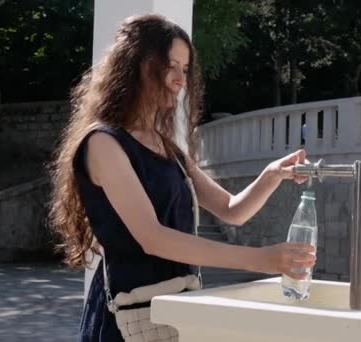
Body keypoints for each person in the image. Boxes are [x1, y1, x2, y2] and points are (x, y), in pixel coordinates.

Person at [49, 14, 316, 341]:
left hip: (174, 309)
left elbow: (232, 209)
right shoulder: (103, 143)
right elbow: (153, 237)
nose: (179, 80)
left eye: (185, 70)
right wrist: (260, 259)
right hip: (124, 318)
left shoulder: (167, 148)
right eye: (170, 66)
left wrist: (272, 174)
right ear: (138, 66)